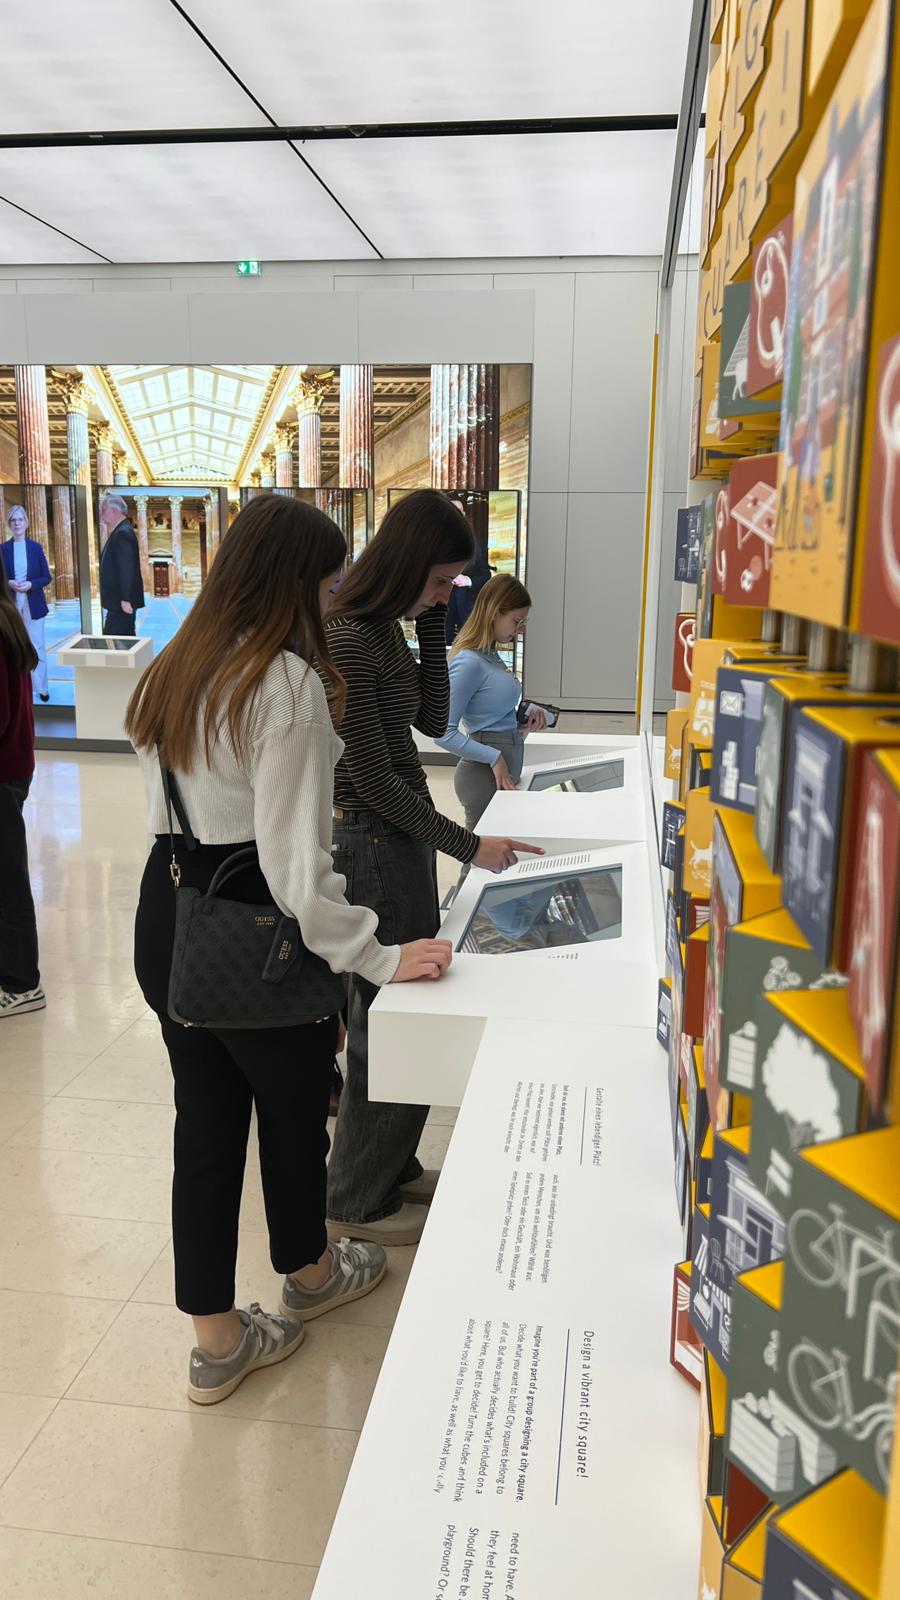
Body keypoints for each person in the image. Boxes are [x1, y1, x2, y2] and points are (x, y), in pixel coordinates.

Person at [125, 494, 452, 1405]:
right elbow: (297, 871)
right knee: (296, 1106)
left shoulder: (173, 665)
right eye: (330, 580)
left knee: (205, 1125)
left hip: (173, 911)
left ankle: (217, 1342)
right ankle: (309, 1274)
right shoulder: (287, 685)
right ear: (295, 582)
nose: (335, 595)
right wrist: (379, 957)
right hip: (258, 923)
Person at [323, 489, 542, 1248]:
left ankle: (391, 1166)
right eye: (442, 580)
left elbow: (427, 718)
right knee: (388, 1017)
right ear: (409, 561)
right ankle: (356, 1196)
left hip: (397, 834)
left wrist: (429, 623)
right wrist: (469, 845)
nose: (450, 594)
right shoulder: (348, 636)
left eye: (455, 583)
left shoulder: (386, 627)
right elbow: (374, 777)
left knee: (408, 1008)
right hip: (370, 838)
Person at [437, 574, 546, 834]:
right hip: (482, 776)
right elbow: (442, 733)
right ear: (495, 612)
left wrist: (521, 729)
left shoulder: (490, 655)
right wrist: (494, 757)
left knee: (500, 852)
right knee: (482, 854)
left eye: (523, 622)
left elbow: (493, 720)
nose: (519, 629)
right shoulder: (469, 661)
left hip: (500, 770)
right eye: (516, 621)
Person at [0, 559, 45, 1018]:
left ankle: (20, 984)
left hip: (3, 773)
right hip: (13, 767)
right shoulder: (7, 617)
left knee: (7, 881)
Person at [1, 504, 52, 702]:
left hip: (34, 604)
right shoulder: (3, 549)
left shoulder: (35, 548)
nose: (17, 523)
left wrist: (31, 584)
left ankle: (42, 688)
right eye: (13, 520)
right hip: (11, 606)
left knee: (37, 645)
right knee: (13, 646)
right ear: (9, 524)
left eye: (20, 519)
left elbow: (46, 577)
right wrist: (9, 583)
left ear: (26, 523)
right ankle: (19, 689)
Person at [99, 493, 144, 636]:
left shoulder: (123, 533)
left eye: (104, 510)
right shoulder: (120, 531)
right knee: (124, 640)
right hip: (118, 602)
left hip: (121, 603)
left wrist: (126, 599)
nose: (101, 514)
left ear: (114, 510)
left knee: (114, 640)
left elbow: (126, 568)